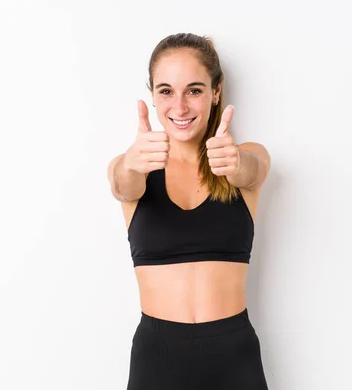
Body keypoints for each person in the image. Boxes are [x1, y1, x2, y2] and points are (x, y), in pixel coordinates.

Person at [107, 33, 271, 390]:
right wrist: (132, 166)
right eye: (166, 91)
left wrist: (237, 162)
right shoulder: (133, 166)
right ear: (152, 95)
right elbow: (122, 185)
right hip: (157, 360)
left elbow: (254, 169)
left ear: (216, 92)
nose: (179, 108)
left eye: (194, 90)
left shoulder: (244, 156)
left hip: (234, 359)